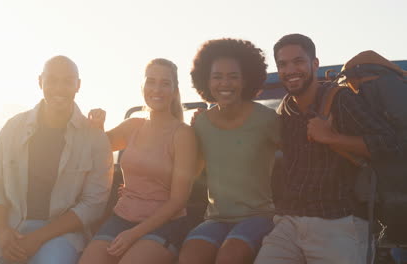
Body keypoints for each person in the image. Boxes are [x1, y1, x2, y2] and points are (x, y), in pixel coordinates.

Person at [255, 33, 403, 264]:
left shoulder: (339, 99)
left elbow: (389, 144)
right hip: (289, 222)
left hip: (339, 223)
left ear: (315, 64)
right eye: (282, 64)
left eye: (298, 61)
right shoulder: (284, 110)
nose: (290, 69)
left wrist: (331, 137)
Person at [0, 56, 114, 264]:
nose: (60, 88)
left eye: (68, 81)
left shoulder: (95, 138)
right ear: (40, 82)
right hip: (9, 229)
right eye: (52, 80)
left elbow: (93, 205)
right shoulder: (12, 128)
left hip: (61, 236)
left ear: (78, 85)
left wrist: (38, 238)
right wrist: (2, 231)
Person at [78, 58, 198, 264]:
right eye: (151, 81)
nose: (157, 89)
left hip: (165, 223)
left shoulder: (183, 134)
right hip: (122, 217)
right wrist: (97, 124)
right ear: (142, 86)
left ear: (175, 91)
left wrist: (133, 234)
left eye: (165, 83)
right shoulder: (132, 125)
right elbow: (98, 147)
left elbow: (178, 200)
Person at [178, 38, 280, 264]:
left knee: (229, 256)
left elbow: (298, 157)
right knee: (189, 257)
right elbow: (190, 172)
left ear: (245, 80)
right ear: (207, 80)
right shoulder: (200, 123)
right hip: (215, 218)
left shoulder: (267, 119)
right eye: (217, 76)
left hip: (259, 216)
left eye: (233, 76)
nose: (225, 83)